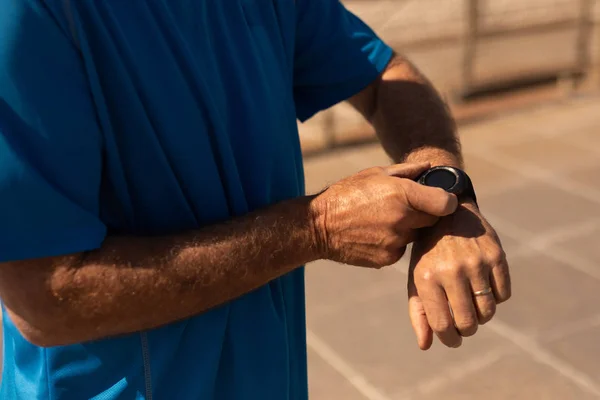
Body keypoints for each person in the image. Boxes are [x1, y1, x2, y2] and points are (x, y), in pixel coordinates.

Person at [0, 0, 511, 399]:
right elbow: (46, 302)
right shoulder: (28, 15)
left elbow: (384, 75)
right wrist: (317, 228)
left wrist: (446, 191)